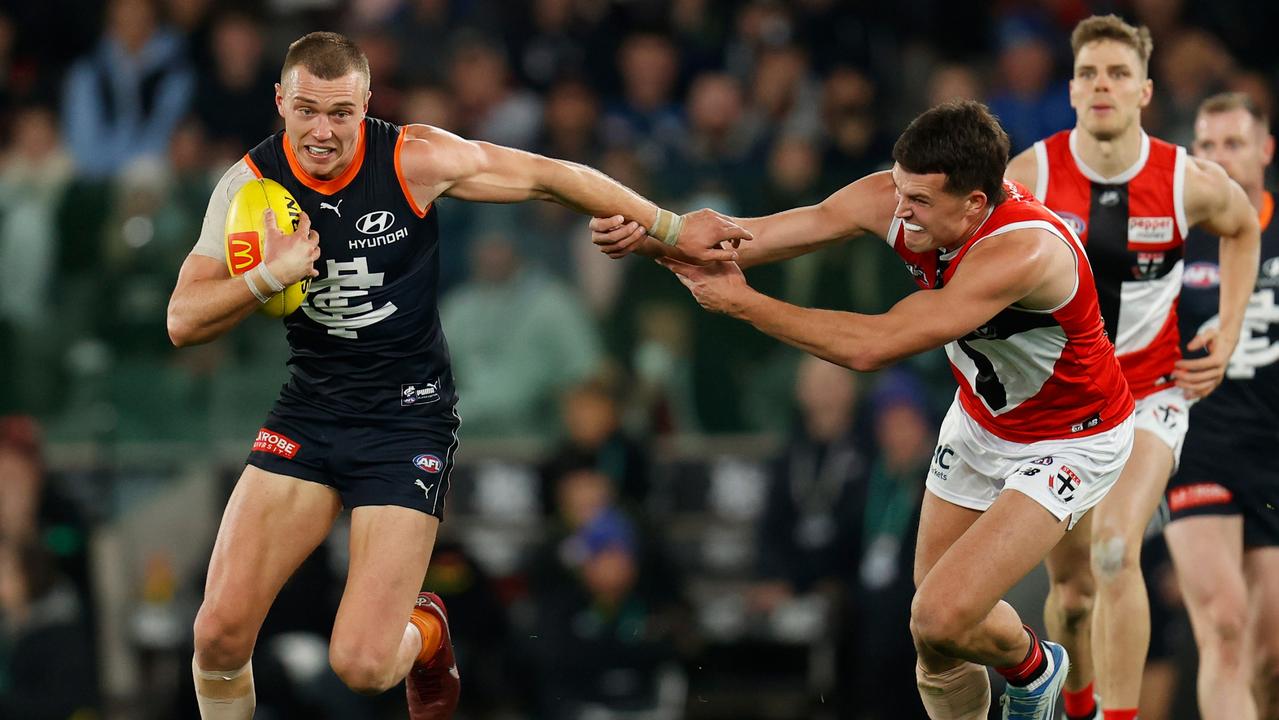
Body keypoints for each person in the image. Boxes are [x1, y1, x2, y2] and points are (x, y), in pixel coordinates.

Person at [166, 31, 749, 720]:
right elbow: (182, 319)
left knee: (359, 665)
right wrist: (269, 275)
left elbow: (547, 174)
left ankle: (429, 628)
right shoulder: (248, 185)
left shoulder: (414, 157)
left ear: (366, 105)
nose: (322, 131)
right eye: (306, 110)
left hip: (405, 418)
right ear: (279, 102)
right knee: (217, 634)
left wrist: (672, 229)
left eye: (340, 113)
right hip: (310, 408)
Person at [593, 99, 1136, 719]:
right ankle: (1030, 671)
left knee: (940, 612)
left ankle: (1034, 668)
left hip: (1071, 436)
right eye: (899, 189)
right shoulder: (899, 194)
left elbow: (873, 346)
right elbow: (758, 235)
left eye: (920, 202)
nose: (899, 211)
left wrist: (743, 305)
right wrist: (653, 233)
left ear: (976, 204)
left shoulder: (1024, 252)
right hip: (983, 421)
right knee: (934, 639)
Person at [1003, 16, 1261, 720]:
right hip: (1058, 409)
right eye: (1088, 73)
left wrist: (1228, 331)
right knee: (1074, 597)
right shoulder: (1028, 176)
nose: (1102, 85)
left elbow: (1243, 226)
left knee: (1116, 551)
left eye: (1117, 73)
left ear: (1145, 90)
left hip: (1151, 395)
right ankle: (1077, 703)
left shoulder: (1184, 179)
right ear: (1071, 89)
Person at [1163, 91, 1279, 720]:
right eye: (1205, 145)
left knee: (1273, 660)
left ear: (1265, 150)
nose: (1218, 157)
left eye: (1233, 143)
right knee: (1224, 625)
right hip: (1198, 443)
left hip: (1274, 452)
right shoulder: (1173, 239)